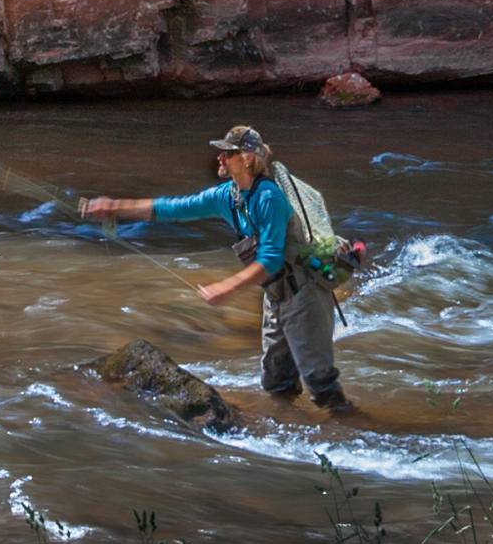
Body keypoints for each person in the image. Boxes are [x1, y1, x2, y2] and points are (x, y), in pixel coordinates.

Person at [82, 124, 353, 415]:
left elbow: (271, 259)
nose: (220, 159)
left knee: (321, 384)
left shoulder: (269, 198)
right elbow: (172, 208)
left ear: (247, 158)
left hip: (305, 296)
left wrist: (227, 287)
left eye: (227, 153)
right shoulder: (228, 196)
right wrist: (114, 207)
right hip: (276, 296)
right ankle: (289, 434)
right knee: (276, 382)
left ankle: (354, 431)